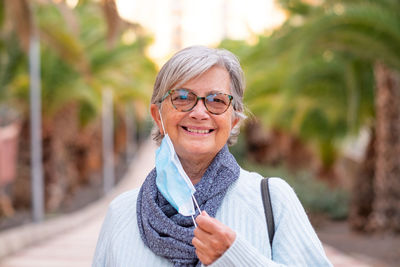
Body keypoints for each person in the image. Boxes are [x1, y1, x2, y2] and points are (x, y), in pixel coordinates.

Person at [92, 46, 332, 267]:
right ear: (158, 117)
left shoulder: (273, 200)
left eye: (216, 101)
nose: (199, 113)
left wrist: (236, 258)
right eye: (183, 97)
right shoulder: (121, 212)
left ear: (233, 120)